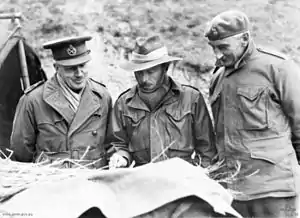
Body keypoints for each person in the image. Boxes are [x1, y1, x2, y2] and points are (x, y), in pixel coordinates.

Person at [205, 10, 300, 217]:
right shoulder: (218, 77)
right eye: (213, 48)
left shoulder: (278, 68)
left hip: (274, 191)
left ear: (245, 39)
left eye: (223, 47)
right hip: (232, 192)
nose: (217, 55)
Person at [108, 35, 215, 169]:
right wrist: (121, 157)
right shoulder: (124, 104)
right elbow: (118, 144)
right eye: (139, 72)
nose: (144, 79)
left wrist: (197, 177)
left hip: (183, 182)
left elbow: (207, 150)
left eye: (151, 72)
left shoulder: (191, 99)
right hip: (143, 182)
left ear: (165, 67)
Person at [10, 36, 112, 168]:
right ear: (56, 67)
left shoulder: (102, 96)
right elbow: (21, 152)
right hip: (54, 181)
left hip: (92, 179)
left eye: (82, 65)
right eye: (71, 68)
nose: (79, 74)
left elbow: (111, 143)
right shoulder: (33, 100)